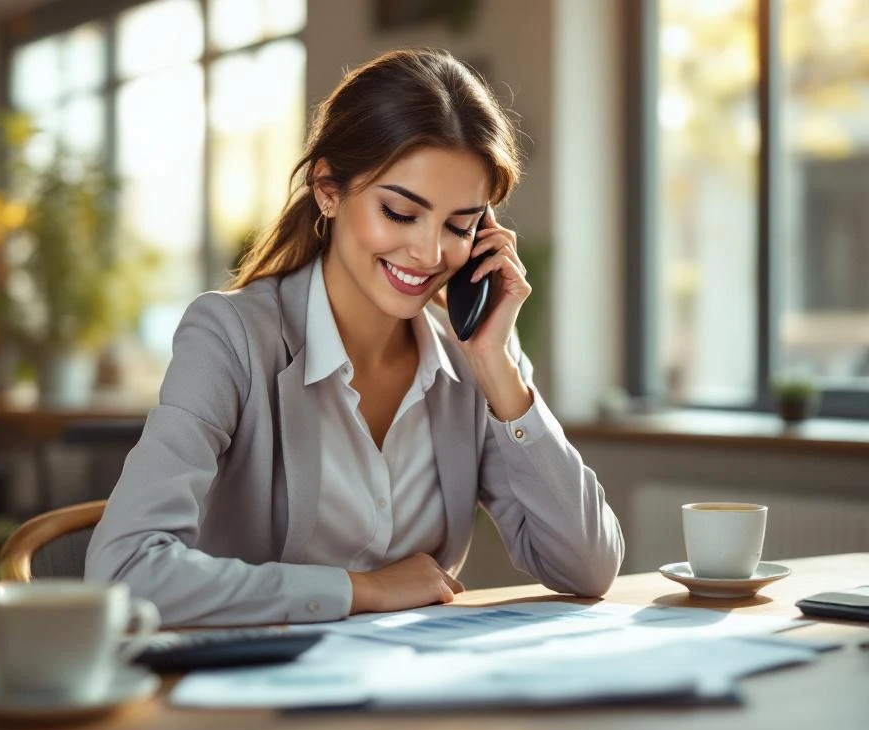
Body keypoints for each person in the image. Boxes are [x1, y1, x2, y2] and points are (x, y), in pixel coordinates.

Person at [85, 48, 624, 626]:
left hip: (407, 695)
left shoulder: (474, 358)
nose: (429, 252)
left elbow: (588, 567)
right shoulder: (231, 337)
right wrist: (358, 590)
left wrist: (498, 367)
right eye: (399, 213)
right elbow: (125, 571)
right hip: (251, 696)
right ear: (328, 190)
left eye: (460, 225)